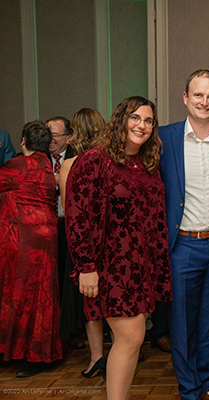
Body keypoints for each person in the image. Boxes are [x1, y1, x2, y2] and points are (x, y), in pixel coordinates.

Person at [66, 96, 172, 400]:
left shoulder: (146, 163)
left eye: (149, 121)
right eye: (136, 117)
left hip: (140, 266)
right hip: (110, 266)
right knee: (131, 336)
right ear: (121, 119)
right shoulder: (95, 160)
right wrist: (86, 267)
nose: (142, 125)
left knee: (132, 340)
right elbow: (77, 216)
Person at [159, 69, 209, 400]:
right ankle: (189, 389)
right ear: (185, 98)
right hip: (183, 247)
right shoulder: (165, 138)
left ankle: (204, 381)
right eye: (197, 95)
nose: (203, 102)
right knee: (182, 324)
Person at [0, 120, 62, 377]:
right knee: (43, 296)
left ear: (23, 141)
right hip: (47, 240)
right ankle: (39, 353)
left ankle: (20, 353)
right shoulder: (49, 167)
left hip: (23, 241)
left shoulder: (16, 166)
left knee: (17, 295)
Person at [58, 108, 107, 378]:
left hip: (81, 242)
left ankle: (96, 357)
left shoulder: (70, 164)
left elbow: (69, 207)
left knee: (90, 301)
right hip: (106, 241)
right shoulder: (109, 158)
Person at [46, 117, 74, 300]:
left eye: (55, 135)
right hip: (46, 228)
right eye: (47, 134)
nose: (50, 139)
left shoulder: (78, 158)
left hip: (68, 227)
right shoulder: (36, 158)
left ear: (69, 138)